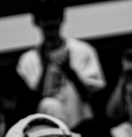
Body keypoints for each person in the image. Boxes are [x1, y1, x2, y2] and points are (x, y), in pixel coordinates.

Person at [16, 0, 106, 130]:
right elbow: (29, 105)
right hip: (46, 132)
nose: (50, 23)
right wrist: (45, 66)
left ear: (62, 18)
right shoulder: (27, 60)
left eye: (54, 18)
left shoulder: (83, 50)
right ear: (36, 22)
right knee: (49, 104)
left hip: (83, 126)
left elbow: (95, 97)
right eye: (45, 19)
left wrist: (70, 73)